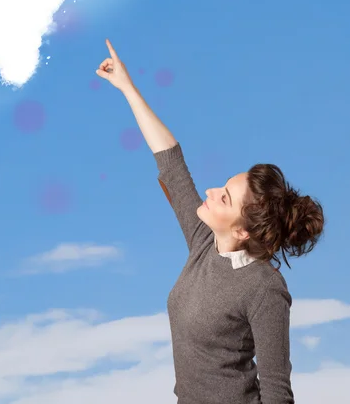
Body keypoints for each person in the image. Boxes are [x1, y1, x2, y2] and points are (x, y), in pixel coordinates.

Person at [95, 39, 325, 404]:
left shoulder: (264, 288)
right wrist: (126, 86)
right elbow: (171, 162)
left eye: (225, 197)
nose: (210, 190)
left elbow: (278, 393)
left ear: (242, 230)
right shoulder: (205, 242)